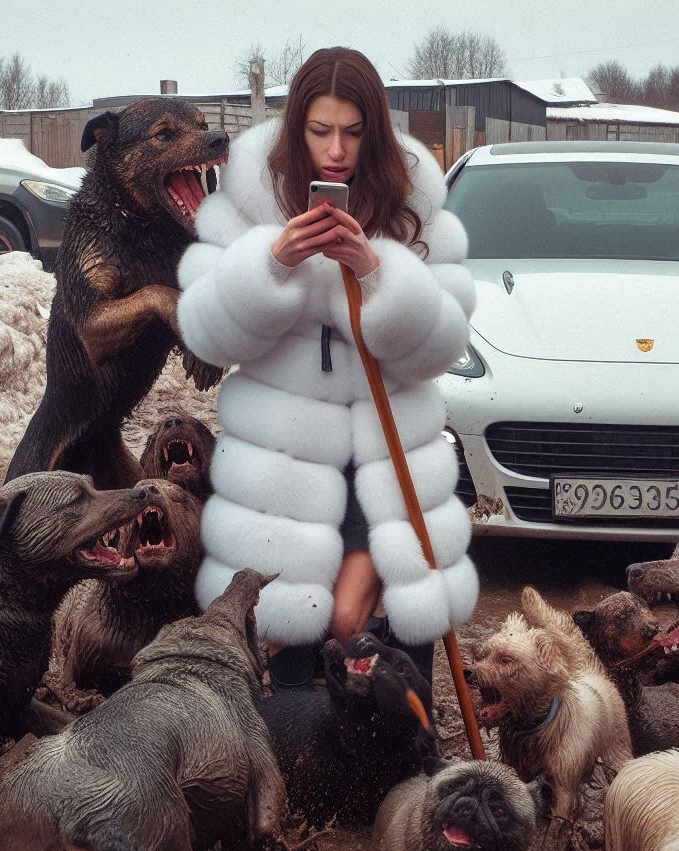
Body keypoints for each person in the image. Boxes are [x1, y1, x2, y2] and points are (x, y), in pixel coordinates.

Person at [175, 47, 478, 689]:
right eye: (319, 131)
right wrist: (271, 265)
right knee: (284, 636)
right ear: (296, 129)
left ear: (374, 131)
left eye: (352, 132)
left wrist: (378, 275)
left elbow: (444, 345)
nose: (335, 150)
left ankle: (396, 757)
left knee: (351, 623)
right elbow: (202, 333)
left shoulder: (415, 199)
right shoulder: (251, 199)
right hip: (279, 463)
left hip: (388, 456)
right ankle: (297, 764)